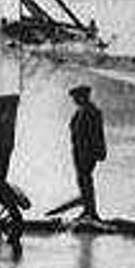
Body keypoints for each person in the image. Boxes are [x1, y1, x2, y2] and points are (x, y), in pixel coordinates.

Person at [44, 83, 108, 226]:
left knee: (86, 180)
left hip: (87, 152)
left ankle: (91, 211)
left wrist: (98, 152)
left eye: (76, 97)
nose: (74, 100)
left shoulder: (92, 112)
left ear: (83, 97)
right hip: (80, 151)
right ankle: (88, 210)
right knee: (83, 180)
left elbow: (97, 135)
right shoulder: (82, 111)